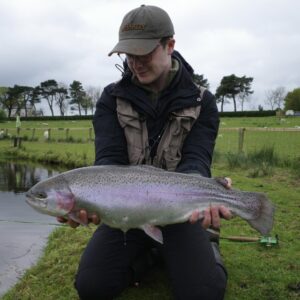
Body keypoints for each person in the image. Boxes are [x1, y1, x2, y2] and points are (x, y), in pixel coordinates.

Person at [58, 5, 232, 300]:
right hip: (125, 214)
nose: (135, 63)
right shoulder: (110, 99)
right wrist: (91, 203)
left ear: (170, 45)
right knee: (92, 287)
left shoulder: (203, 101)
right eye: (129, 55)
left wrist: (206, 192)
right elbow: (108, 163)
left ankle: (206, 245)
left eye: (144, 53)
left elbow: (196, 160)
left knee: (203, 292)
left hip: (178, 213)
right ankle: (152, 256)